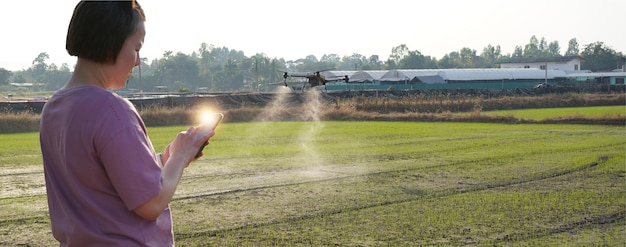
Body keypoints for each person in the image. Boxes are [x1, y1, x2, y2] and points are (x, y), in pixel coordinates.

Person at [39, 1, 214, 246]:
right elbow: (151, 203)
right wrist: (181, 157)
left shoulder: (53, 108)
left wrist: (166, 158)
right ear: (111, 41)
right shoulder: (112, 110)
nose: (137, 61)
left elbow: (106, 182)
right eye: (136, 48)